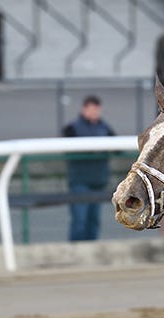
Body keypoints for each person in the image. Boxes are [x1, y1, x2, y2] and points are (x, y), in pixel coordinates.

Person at [62, 95, 115, 242]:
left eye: (97, 109)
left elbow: (118, 148)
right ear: (84, 109)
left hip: (98, 181)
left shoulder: (105, 128)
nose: (94, 112)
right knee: (80, 220)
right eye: (92, 109)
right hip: (80, 181)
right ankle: (75, 250)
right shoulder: (71, 128)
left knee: (94, 221)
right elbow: (68, 149)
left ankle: (91, 249)